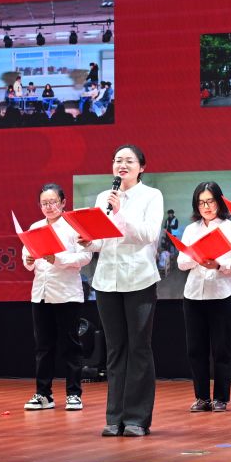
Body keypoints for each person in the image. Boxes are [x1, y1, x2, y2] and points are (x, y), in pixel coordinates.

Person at [88, 145, 164, 437]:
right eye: (117, 160)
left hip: (139, 280)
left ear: (141, 167)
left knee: (139, 348)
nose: (122, 165)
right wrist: (88, 240)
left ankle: (137, 418)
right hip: (107, 280)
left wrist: (120, 214)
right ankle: (114, 417)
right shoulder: (103, 197)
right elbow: (101, 240)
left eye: (129, 161)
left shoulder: (151, 196)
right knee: (115, 349)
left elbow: (148, 235)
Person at [178, 181, 231, 413]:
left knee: (222, 349)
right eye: (201, 203)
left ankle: (221, 398)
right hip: (193, 296)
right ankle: (201, 398)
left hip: (221, 295)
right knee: (195, 349)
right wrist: (197, 258)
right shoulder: (191, 230)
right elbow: (181, 262)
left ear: (219, 201)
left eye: (210, 201)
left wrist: (219, 264)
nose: (206, 207)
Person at [23, 183, 91, 413]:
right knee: (43, 346)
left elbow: (85, 257)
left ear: (63, 203)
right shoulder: (35, 227)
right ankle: (43, 394)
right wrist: (28, 260)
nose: (49, 207)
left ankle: (74, 394)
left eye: (53, 202)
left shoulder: (73, 226)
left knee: (70, 345)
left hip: (66, 293)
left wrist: (58, 260)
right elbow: (27, 254)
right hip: (41, 293)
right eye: (44, 203)